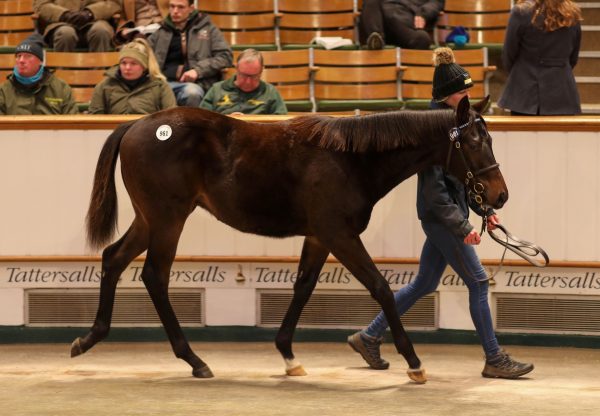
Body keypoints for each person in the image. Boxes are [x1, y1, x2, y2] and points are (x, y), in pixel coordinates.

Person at [347, 48, 535, 380]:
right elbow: (435, 194)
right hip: (443, 220)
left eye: (467, 91)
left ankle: (369, 336)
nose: (467, 97)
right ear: (446, 96)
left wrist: (484, 209)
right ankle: (494, 358)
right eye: (462, 92)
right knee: (477, 282)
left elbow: (467, 179)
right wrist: (463, 226)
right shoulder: (432, 130)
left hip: (446, 219)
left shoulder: (458, 123)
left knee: (424, 282)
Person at [498, 0, 582, 115]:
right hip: (562, 93)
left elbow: (509, 53)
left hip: (525, 93)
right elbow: (573, 57)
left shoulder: (521, 12)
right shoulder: (572, 13)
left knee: (523, 133)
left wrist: (519, 74)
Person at [148, 0, 233, 107]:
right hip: (163, 83)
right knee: (146, 94)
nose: (175, 11)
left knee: (192, 93)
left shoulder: (208, 28)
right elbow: (143, 55)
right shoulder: (161, 31)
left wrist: (198, 71)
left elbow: (225, 56)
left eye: (180, 7)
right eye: (172, 6)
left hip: (196, 84)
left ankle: (192, 124)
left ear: (191, 8)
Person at [89, 38, 176, 114]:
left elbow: (171, 117)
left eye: (134, 63)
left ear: (144, 66)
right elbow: (94, 118)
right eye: (123, 63)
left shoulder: (160, 86)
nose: (127, 67)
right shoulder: (104, 86)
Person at [0, 34, 77, 115]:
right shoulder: (3, 91)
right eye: (19, 56)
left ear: (40, 61)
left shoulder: (61, 88)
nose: (21, 60)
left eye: (28, 56)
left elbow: (73, 123)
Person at [200, 49, 287, 115]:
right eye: (244, 75)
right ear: (236, 68)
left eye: (254, 76)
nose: (248, 82)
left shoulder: (270, 92)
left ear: (261, 71)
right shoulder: (217, 90)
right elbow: (202, 121)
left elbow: (281, 125)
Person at [34, 0, 121, 52]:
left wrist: (91, 12)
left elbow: (114, 3)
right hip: (61, 23)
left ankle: (99, 77)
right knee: (66, 33)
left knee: (101, 31)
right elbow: (42, 5)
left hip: (96, 20)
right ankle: (62, 78)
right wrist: (64, 14)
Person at [359, 0, 444, 50]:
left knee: (422, 37)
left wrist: (424, 13)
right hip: (381, 20)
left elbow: (436, 2)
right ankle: (376, 40)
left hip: (406, 20)